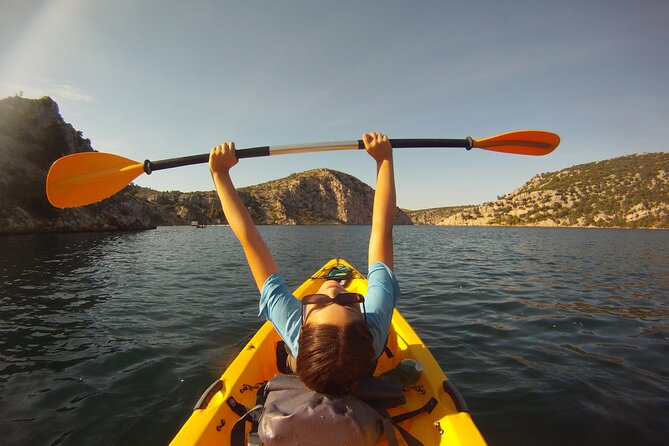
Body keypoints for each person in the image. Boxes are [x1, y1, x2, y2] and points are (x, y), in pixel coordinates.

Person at [209, 132, 399, 396]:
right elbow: (382, 230)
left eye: (320, 303)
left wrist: (219, 174)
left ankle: (292, 365)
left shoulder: (292, 324)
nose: (333, 291)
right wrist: (385, 160)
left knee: (294, 361)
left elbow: (250, 241)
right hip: (362, 361)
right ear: (366, 323)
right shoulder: (375, 324)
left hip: (306, 356)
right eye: (347, 302)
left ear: (302, 328)